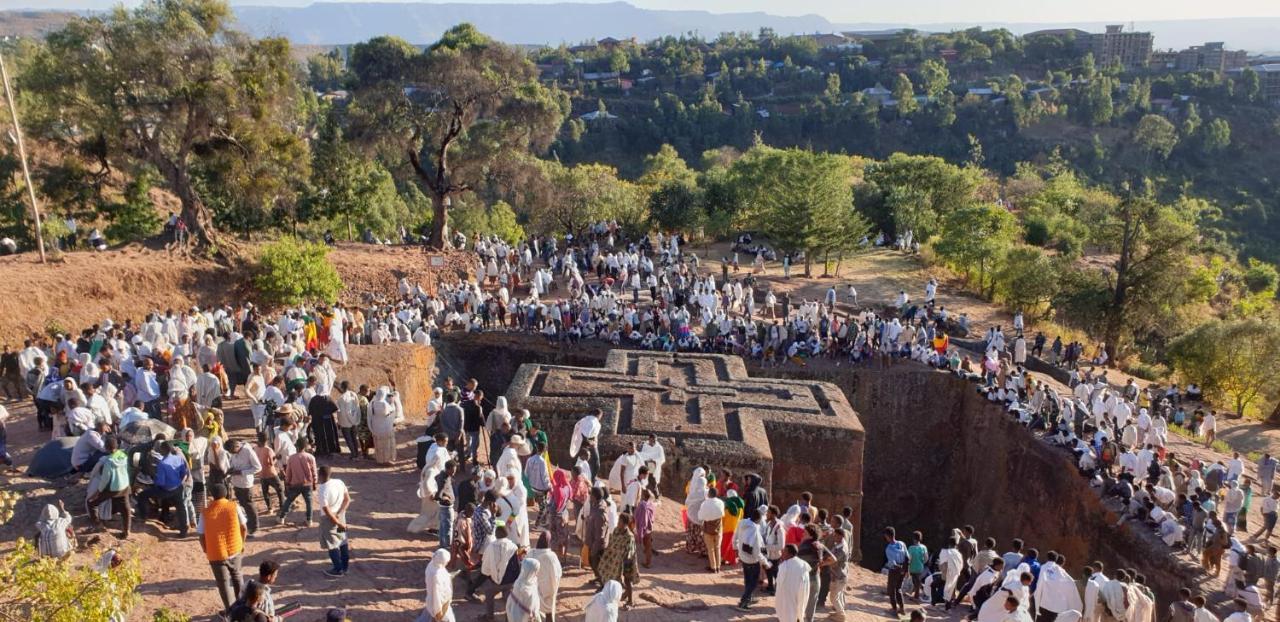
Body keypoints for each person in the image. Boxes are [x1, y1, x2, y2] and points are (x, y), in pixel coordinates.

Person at [199, 483, 248, 614]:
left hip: (216, 553)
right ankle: (242, 608)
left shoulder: (206, 512)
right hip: (235, 548)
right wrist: (242, 543)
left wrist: (206, 549)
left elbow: (201, 534)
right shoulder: (234, 506)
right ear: (226, 493)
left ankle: (231, 612)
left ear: (212, 496)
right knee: (237, 577)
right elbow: (244, 527)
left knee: (224, 583)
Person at [597, 512, 638, 608]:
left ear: (625, 524)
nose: (618, 523)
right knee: (610, 574)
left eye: (620, 521)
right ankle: (619, 594)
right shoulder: (616, 530)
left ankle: (630, 601)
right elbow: (612, 543)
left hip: (627, 561)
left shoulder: (629, 537)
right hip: (614, 559)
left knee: (627, 580)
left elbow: (630, 552)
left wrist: (621, 561)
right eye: (618, 521)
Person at [317, 465, 352, 578]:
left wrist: (336, 521)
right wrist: (340, 513)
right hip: (341, 516)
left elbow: (327, 511)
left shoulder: (322, 489)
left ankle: (338, 569)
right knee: (343, 541)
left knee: (332, 544)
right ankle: (345, 567)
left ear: (320, 475)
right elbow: (347, 499)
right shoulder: (339, 482)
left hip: (329, 520)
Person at [735, 505, 770, 612]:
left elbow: (736, 536)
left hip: (743, 557)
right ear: (758, 519)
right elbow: (756, 551)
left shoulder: (742, 523)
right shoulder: (754, 530)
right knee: (753, 582)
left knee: (748, 579)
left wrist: (736, 548)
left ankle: (749, 597)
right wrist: (765, 562)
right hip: (752, 560)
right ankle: (743, 603)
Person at [227, 439, 262, 537]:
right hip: (236, 483)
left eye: (232, 451)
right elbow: (233, 461)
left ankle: (255, 527)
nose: (232, 453)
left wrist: (241, 472)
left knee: (249, 505)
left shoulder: (248, 451)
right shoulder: (234, 451)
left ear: (236, 447)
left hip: (246, 484)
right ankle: (248, 524)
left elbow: (258, 467)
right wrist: (231, 469)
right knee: (243, 504)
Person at [279, 437, 318, 526]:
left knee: (288, 501)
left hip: (295, 484)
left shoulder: (291, 458)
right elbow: (314, 472)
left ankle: (281, 518)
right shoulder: (311, 457)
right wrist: (314, 482)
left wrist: (287, 482)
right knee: (309, 502)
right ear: (306, 446)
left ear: (296, 446)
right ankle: (309, 520)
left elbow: (288, 472)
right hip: (308, 484)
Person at [526, 533, 563, 622]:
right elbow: (558, 573)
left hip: (532, 591)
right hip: (547, 591)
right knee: (549, 611)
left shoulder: (531, 553)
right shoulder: (551, 556)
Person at [777, 544, 812, 622]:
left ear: (790, 554)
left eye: (784, 551)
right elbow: (805, 587)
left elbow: (779, 585)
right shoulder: (803, 564)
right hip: (799, 596)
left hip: (787, 599)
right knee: (798, 613)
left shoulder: (784, 566)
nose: (782, 553)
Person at [420, 549, 455, 622]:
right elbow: (437, 596)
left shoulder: (431, 565)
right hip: (440, 604)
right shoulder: (437, 576)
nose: (447, 563)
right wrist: (438, 612)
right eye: (446, 561)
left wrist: (447, 576)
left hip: (430, 601)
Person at [699, 486, 726, 572]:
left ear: (708, 494)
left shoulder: (704, 504)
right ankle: (718, 566)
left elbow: (700, 517)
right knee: (717, 547)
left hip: (708, 528)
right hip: (718, 527)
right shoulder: (721, 503)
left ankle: (713, 567)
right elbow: (722, 514)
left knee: (710, 549)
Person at [505, 558, 542, 622]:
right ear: (532, 571)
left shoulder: (518, 582)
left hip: (512, 616)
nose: (538, 572)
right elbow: (531, 609)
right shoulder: (528, 590)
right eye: (536, 570)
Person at [884, 527, 910, 617]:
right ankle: (902, 608)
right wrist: (905, 570)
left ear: (887, 536)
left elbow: (893, 563)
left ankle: (894, 609)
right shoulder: (902, 543)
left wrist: (900, 569)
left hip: (895, 570)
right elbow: (907, 557)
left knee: (891, 590)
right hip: (903, 568)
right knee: (898, 588)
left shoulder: (888, 548)